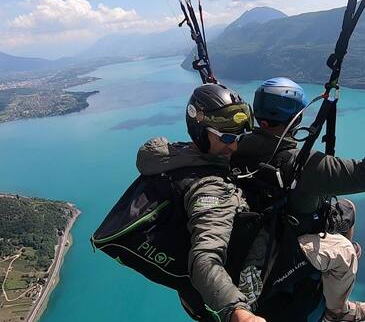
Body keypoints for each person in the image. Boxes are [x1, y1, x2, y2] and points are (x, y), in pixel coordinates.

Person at [231, 77, 365, 322]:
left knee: (346, 209)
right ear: (297, 118)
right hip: (285, 247)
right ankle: (338, 312)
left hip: (259, 230)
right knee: (346, 251)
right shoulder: (305, 165)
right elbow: (361, 175)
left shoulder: (235, 146)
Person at [136, 83, 267, 322]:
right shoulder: (209, 187)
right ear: (199, 131)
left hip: (192, 296)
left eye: (239, 136)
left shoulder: (175, 155)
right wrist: (239, 314)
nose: (234, 146)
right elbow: (204, 258)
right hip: (232, 291)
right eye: (227, 137)